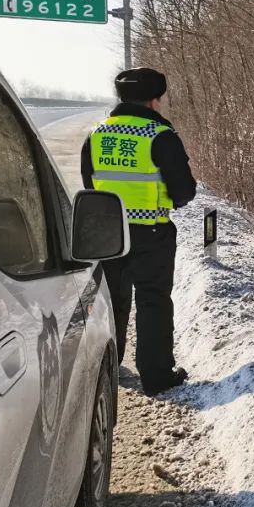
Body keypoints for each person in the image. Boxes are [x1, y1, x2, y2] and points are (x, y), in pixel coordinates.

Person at [81, 67, 196, 396]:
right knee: (153, 300)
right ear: (155, 101)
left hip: (108, 233)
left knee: (112, 299)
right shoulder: (160, 136)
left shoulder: (96, 135)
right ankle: (156, 376)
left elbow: (90, 183)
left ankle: (110, 364)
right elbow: (184, 191)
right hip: (151, 233)